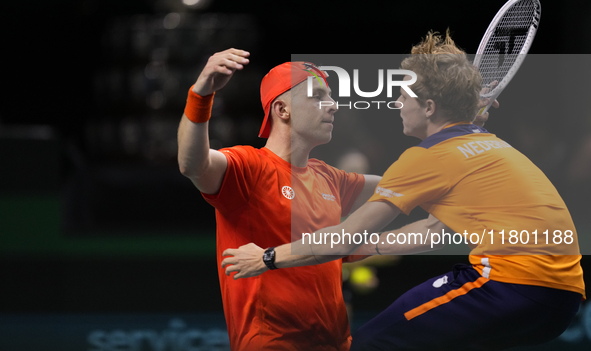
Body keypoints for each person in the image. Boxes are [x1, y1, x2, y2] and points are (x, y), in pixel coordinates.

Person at [220, 33, 585, 350]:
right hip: (562, 298)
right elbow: (432, 230)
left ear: (428, 107)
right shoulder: (488, 148)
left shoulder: (427, 159)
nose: (396, 104)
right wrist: (373, 248)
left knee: (371, 345)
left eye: (402, 96)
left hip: (509, 286)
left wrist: (267, 258)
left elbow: (344, 238)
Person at [178, 49, 383, 351]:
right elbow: (193, 165)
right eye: (318, 96)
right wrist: (201, 93)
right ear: (282, 109)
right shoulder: (249, 167)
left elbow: (402, 187)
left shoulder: (330, 177)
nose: (333, 105)